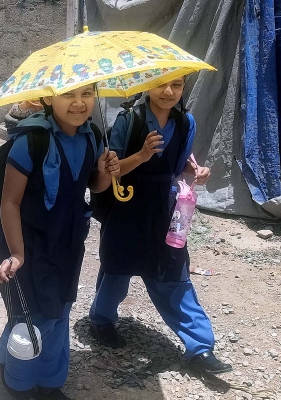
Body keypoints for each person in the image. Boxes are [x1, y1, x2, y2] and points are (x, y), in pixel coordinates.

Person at [88, 77, 232, 376]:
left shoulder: (185, 122)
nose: (168, 92)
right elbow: (111, 172)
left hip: (166, 208)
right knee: (118, 267)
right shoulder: (129, 119)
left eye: (176, 85)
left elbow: (178, 165)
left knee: (173, 273)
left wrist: (197, 171)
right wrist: (141, 156)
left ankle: (200, 347)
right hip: (127, 203)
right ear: (147, 86)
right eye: (161, 84)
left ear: (183, 89)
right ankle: (101, 320)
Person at [0, 83, 120, 400]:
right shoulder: (31, 141)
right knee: (35, 316)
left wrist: (106, 172)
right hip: (30, 243)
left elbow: (94, 185)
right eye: (68, 95)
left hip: (69, 240)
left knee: (60, 307)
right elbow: (9, 203)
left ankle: (49, 381)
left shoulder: (91, 136)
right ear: (50, 98)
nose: (78, 103)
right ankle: (18, 382)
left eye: (87, 94)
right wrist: (17, 254)